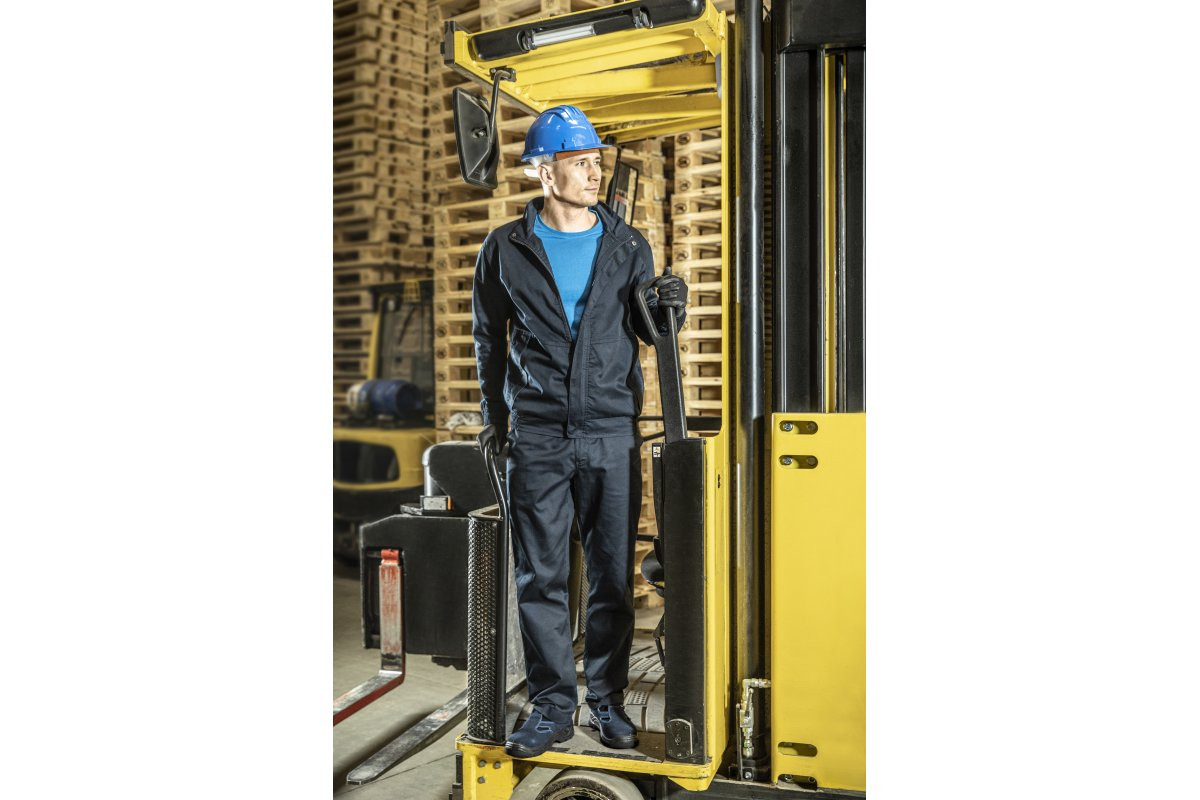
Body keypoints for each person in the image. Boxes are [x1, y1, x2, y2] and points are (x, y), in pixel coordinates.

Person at [472, 105, 687, 758]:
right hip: (537, 435)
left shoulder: (628, 245)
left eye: (596, 162)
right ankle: (552, 708)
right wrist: (496, 422)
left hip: (610, 432)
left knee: (611, 577)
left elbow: (647, 331)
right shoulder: (505, 248)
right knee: (540, 578)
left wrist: (669, 309)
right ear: (546, 172)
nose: (594, 173)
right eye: (580, 162)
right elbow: (489, 340)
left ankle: (608, 702)